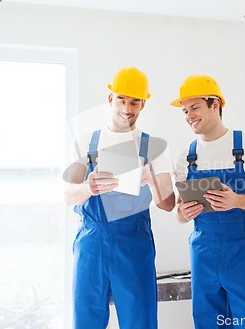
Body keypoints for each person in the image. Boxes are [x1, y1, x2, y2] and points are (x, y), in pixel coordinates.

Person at [64, 67, 175, 329]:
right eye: (122, 100)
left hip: (134, 244)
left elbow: (168, 204)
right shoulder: (85, 143)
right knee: (86, 319)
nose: (127, 108)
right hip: (92, 242)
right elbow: (68, 196)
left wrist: (151, 179)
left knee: (140, 321)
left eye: (134, 102)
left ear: (143, 104)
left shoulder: (154, 147)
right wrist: (88, 188)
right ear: (110, 98)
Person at [171, 75, 245, 329]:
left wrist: (237, 201)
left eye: (195, 107)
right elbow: (177, 213)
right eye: (185, 111)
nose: (189, 116)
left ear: (215, 105)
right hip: (203, 253)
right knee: (208, 323)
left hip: (244, 252)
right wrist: (184, 212)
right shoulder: (185, 157)